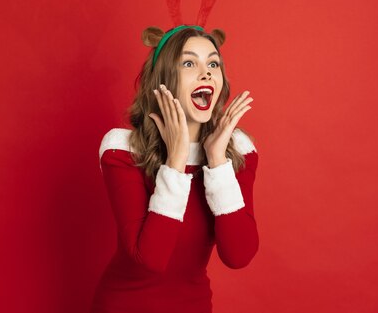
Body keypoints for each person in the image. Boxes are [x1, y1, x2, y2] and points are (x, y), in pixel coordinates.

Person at [90, 25, 259, 313]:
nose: (206, 73)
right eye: (189, 63)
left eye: (213, 63)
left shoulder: (236, 152)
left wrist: (217, 160)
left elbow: (238, 255)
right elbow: (150, 258)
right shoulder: (122, 150)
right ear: (164, 78)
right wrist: (176, 160)